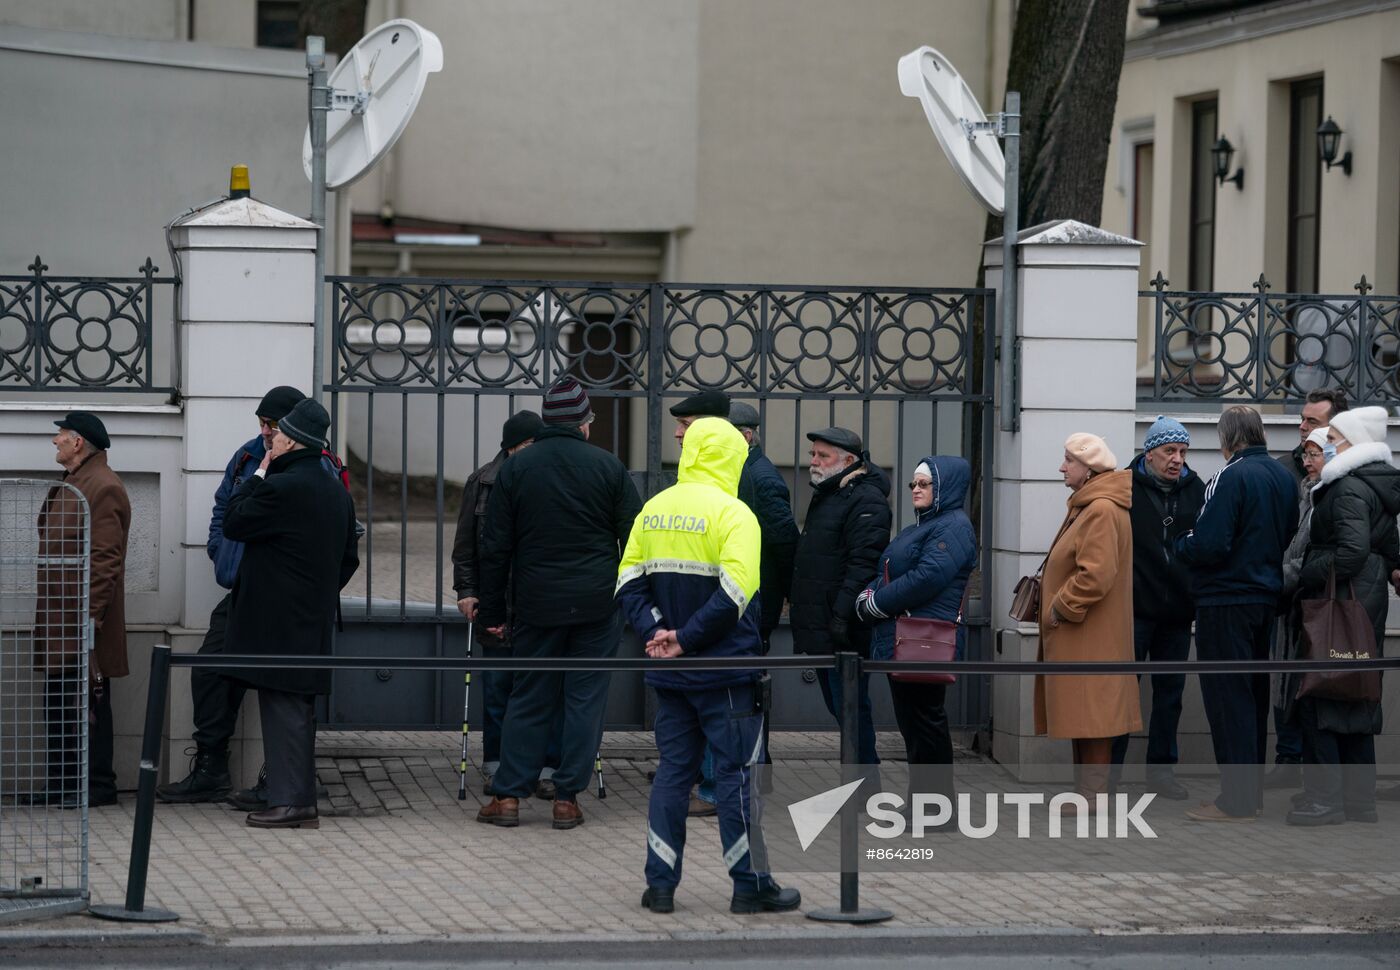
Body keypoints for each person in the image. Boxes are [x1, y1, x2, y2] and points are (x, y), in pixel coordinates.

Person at [617, 416, 801, 916]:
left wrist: (656, 631)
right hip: (725, 676)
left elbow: (627, 581)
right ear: (732, 458)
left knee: (673, 776)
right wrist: (686, 639)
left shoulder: (655, 509)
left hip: (669, 676)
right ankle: (750, 884)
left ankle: (659, 886)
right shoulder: (736, 515)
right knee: (738, 778)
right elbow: (737, 593)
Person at [476, 377, 643, 830]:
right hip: (596, 604)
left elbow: (495, 548)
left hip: (536, 603)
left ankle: (508, 797)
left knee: (529, 695)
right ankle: (567, 798)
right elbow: (635, 538)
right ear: (585, 424)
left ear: (547, 423)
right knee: (584, 699)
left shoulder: (516, 469)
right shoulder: (609, 467)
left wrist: (491, 613)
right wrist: (629, 597)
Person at [158, 385, 307, 805]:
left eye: (272, 425)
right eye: (260, 422)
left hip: (286, 595)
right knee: (210, 669)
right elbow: (223, 506)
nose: (264, 430)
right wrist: (219, 549)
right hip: (243, 588)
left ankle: (278, 776)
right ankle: (211, 768)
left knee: (284, 681)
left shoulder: (314, 464)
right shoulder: (246, 456)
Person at [222, 399, 360, 829]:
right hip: (311, 617)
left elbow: (234, 520)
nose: (271, 442)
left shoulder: (280, 487)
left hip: (276, 620)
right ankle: (296, 800)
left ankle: (291, 803)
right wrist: (317, 593)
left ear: (291, 442)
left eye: (277, 436)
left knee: (282, 708)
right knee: (297, 709)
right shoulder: (336, 492)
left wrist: (258, 473)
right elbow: (348, 559)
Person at [1176, 405, 1297, 822]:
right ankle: (1251, 794)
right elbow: (1288, 534)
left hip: (1225, 600)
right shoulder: (1283, 476)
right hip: (1266, 597)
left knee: (1228, 701)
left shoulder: (1229, 476)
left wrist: (1181, 544)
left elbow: (1210, 543)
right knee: (1253, 699)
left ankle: (1235, 800)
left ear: (1227, 440)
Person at [1288, 407, 1399, 826]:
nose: (1325, 441)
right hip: (1363, 606)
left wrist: (1306, 574)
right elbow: (1388, 549)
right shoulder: (1373, 486)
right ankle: (1359, 801)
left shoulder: (1348, 488)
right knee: (1356, 696)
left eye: (1332, 436)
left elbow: (1350, 552)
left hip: (1337, 605)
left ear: (1351, 443)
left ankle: (1325, 800)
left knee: (1321, 695)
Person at [854, 455, 976, 824]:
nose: (916, 490)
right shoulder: (927, 525)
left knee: (925, 724)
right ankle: (926, 805)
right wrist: (869, 595)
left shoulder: (953, 526)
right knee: (915, 724)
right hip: (905, 637)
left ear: (946, 488)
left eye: (925, 484)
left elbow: (926, 578)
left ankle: (936, 811)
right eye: (913, 484)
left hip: (924, 638)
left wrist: (875, 604)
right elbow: (892, 570)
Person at [449, 410, 562, 798]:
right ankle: (497, 764)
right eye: (528, 445)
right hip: (495, 601)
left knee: (545, 685)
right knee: (498, 688)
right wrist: (466, 590)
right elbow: (465, 545)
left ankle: (547, 766)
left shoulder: (547, 479)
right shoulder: (481, 482)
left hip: (537, 601)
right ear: (511, 447)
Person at [1035, 433, 1142, 811]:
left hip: (1090, 634)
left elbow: (1096, 575)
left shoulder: (1100, 509)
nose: (1062, 467)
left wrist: (1060, 607)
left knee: (1094, 714)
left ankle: (1093, 795)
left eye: (1069, 460)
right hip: (1085, 634)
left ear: (1089, 468)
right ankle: (1086, 792)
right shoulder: (1089, 504)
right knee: (1085, 713)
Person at [33, 412, 131, 808]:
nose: (55, 441)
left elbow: (106, 558)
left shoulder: (103, 486)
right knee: (59, 702)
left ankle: (97, 786)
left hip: (81, 622)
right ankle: (62, 784)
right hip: (61, 619)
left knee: (88, 704)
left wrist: (89, 618)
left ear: (78, 442)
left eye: (60, 435)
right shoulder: (76, 482)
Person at [1109, 416, 1205, 800]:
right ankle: (1109, 774)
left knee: (1170, 695)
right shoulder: (1124, 488)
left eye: (1182, 451)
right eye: (1169, 451)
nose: (1177, 459)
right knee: (1121, 693)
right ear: (1149, 454)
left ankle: (1161, 772)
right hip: (1133, 611)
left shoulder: (1197, 490)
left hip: (1178, 613)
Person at [789, 427, 891, 780]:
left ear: (849, 461)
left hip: (843, 628)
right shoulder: (831, 492)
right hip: (825, 623)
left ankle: (864, 784)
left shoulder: (865, 499)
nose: (813, 462)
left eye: (822, 456)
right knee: (840, 706)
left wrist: (841, 615)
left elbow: (863, 564)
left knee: (850, 707)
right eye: (813, 455)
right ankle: (862, 782)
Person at [1269, 389, 1348, 788]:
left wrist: (1293, 574)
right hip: (1288, 600)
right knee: (1285, 677)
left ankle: (1323, 780)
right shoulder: (1286, 470)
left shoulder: (1345, 481)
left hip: (1321, 600)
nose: (1301, 427)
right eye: (1301, 419)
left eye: (1312, 422)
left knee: (1316, 686)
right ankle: (1287, 757)